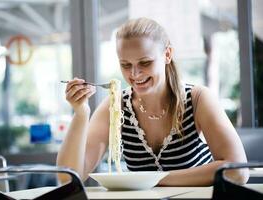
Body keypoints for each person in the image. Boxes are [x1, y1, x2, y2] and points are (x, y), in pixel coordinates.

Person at [57, 17, 249, 186]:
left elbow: (237, 171)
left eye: (145, 63)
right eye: (125, 65)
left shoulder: (198, 99)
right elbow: (68, 178)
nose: (134, 74)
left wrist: (154, 180)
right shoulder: (116, 105)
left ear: (167, 54)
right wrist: (81, 114)